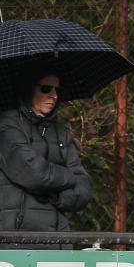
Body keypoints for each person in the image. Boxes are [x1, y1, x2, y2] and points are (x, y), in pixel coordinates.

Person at [0, 65, 91, 248]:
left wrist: (58, 198)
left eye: (58, 90)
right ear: (28, 89)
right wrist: (69, 177)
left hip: (58, 242)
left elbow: (84, 188)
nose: (54, 96)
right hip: (16, 243)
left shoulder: (60, 132)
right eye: (46, 88)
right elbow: (35, 174)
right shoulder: (7, 126)